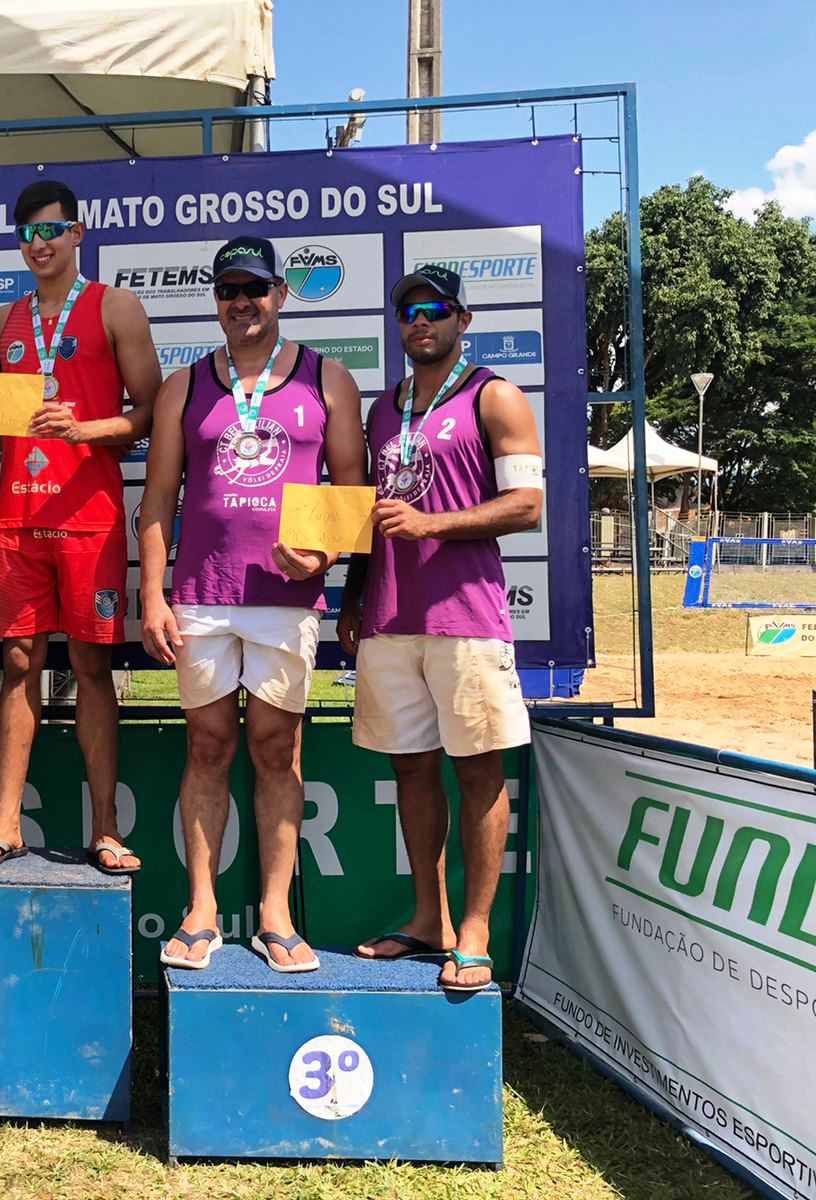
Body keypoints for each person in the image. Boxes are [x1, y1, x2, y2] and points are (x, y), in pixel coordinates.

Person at [140, 237, 367, 971]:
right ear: (215, 298)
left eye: (256, 289)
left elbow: (349, 493)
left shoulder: (329, 380)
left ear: (281, 295)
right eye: (229, 290)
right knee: (206, 747)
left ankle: (274, 914)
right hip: (202, 597)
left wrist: (325, 554)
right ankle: (201, 909)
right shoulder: (183, 386)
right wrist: (152, 593)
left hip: (285, 599)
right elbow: (157, 500)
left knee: (277, 750)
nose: (243, 302)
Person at [339, 265, 542, 992]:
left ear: (462, 318)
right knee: (411, 770)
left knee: (479, 772)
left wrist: (433, 524)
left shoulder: (496, 395)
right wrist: (354, 596)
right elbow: (370, 509)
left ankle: (477, 932)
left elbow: (527, 507)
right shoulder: (383, 408)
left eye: (433, 309)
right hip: (391, 618)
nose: (419, 321)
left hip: (466, 619)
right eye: (407, 311)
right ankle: (430, 921)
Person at [0, 179, 162, 872]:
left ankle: (105, 827)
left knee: (91, 666)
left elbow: (151, 412)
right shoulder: (4, 320)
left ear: (78, 234)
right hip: (20, 519)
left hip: (89, 521)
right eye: (27, 234)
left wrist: (84, 428)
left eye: (52, 230)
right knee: (16, 665)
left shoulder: (117, 306)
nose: (39, 244)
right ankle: (6, 822)